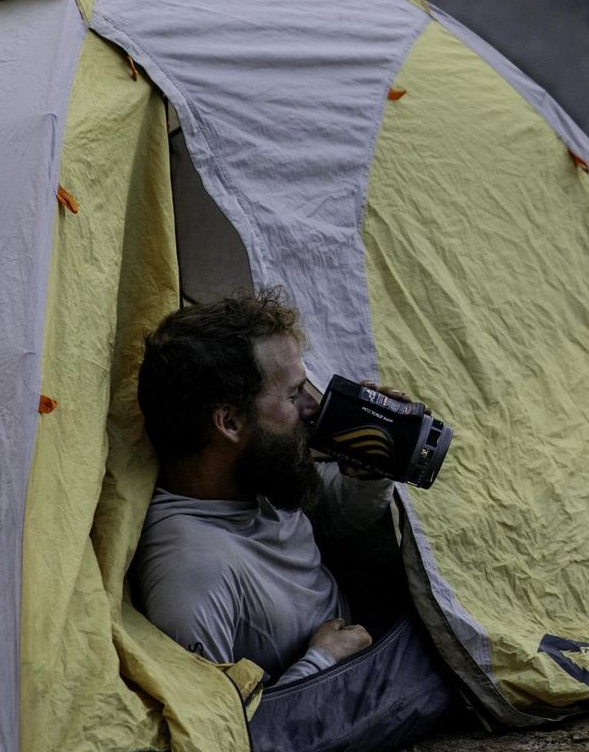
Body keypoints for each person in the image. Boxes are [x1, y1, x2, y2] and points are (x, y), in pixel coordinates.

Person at [131, 288, 395, 685]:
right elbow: (215, 724)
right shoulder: (192, 569)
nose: (312, 408)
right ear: (231, 423)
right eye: (293, 394)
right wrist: (320, 664)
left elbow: (328, 515)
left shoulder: (256, 477)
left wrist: (368, 472)